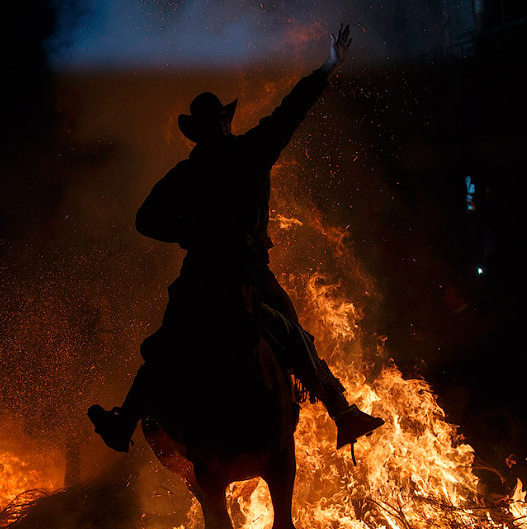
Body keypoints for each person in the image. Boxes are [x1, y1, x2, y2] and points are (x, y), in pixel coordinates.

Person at [89, 24, 383, 453]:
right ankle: (341, 411)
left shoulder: (185, 174)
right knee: (294, 333)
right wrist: (329, 67)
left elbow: (144, 220)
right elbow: (292, 109)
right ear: (224, 122)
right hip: (248, 276)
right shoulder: (252, 150)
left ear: (196, 131)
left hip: (201, 280)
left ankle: (124, 423)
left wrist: (190, 232)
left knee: (166, 346)